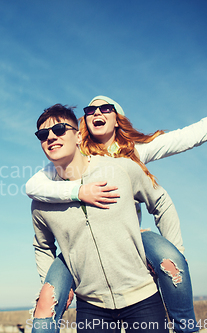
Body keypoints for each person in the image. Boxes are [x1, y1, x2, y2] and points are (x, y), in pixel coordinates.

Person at [27, 95, 207, 333]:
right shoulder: (55, 177)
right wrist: (78, 191)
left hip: (133, 247)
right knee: (45, 302)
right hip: (87, 280)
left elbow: (186, 138)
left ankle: (186, 327)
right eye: (91, 109)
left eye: (106, 108)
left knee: (173, 260)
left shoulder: (129, 158)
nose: (97, 113)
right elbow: (33, 189)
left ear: (117, 119)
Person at [31, 104, 179, 332]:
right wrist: (56, 286)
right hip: (91, 306)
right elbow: (42, 246)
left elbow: (160, 202)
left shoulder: (120, 170)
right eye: (43, 134)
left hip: (142, 296)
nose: (51, 137)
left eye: (59, 129)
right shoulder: (42, 201)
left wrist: (173, 255)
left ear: (79, 136)